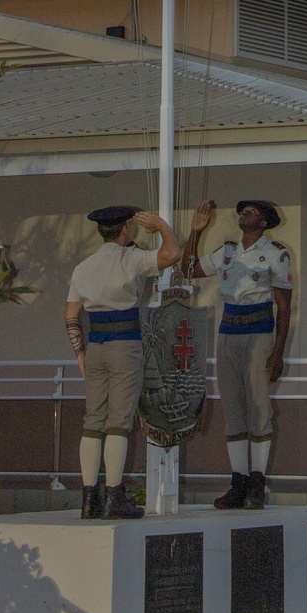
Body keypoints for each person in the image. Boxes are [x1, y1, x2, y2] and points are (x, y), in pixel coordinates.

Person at [66, 204, 181, 519]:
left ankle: (90, 499)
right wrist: (160, 226)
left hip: (95, 346)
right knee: (118, 421)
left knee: (93, 421)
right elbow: (172, 254)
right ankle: (114, 496)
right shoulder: (132, 259)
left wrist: (79, 353)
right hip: (125, 343)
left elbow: (71, 316)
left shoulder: (83, 268)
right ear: (124, 230)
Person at [181, 198, 292, 510]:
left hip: (259, 332)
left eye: (253, 212)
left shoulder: (276, 253)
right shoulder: (227, 251)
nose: (245, 213)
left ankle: (257, 482)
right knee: (233, 409)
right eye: (243, 210)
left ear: (265, 223)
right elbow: (187, 269)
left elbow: (284, 307)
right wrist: (196, 232)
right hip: (228, 332)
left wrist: (279, 351)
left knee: (258, 408)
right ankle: (238, 481)